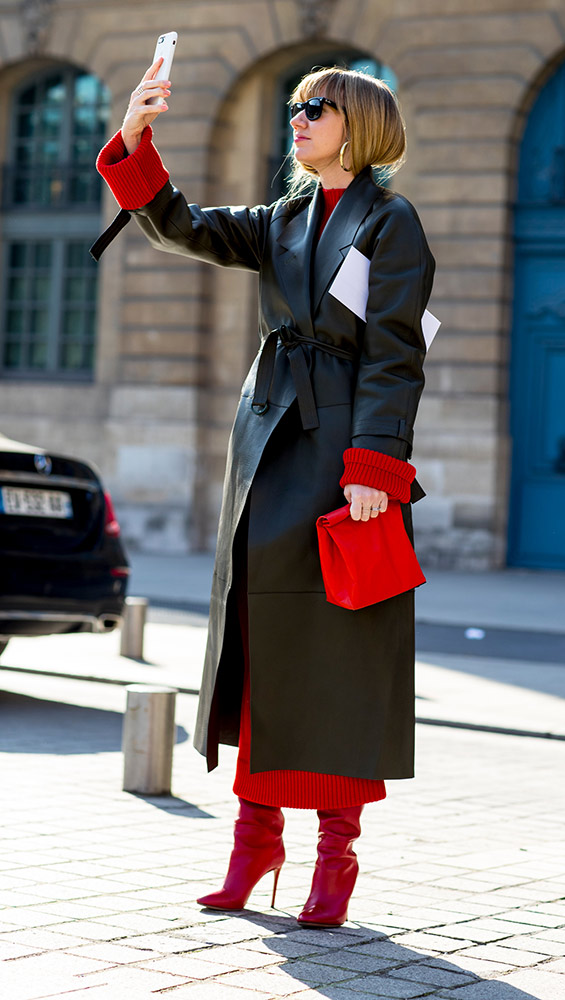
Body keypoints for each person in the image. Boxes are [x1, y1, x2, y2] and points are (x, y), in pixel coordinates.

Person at [95, 60, 435, 928]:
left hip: (338, 452)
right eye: (293, 107)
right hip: (265, 440)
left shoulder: (391, 225)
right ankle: (253, 841)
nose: (298, 118)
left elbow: (396, 356)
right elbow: (179, 226)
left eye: (313, 108)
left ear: (355, 125)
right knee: (256, 634)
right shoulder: (281, 217)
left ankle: (335, 854)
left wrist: (372, 472)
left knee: (332, 646)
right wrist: (135, 136)